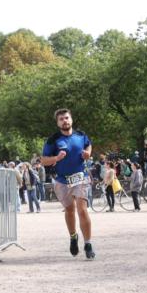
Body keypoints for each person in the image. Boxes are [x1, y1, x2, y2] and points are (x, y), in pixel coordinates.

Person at [41, 108, 95, 259]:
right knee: (69, 210)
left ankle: (88, 243)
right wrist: (56, 159)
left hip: (80, 177)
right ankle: (73, 237)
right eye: (61, 119)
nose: (65, 121)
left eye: (66, 118)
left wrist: (88, 153)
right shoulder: (53, 140)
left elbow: (88, 145)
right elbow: (43, 160)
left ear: (71, 119)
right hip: (61, 179)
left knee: (82, 210)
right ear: (57, 123)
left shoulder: (81, 135)